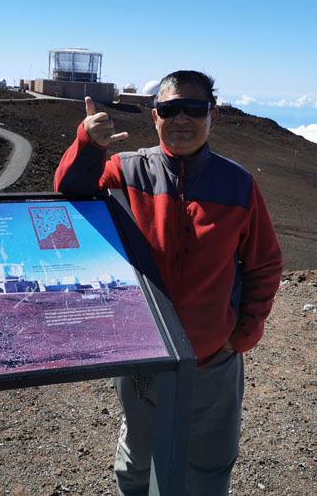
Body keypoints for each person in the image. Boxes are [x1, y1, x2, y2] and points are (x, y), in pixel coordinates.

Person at [54, 70, 283, 495]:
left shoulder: (238, 185)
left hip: (213, 358)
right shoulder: (126, 169)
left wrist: (243, 335)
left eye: (194, 109)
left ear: (212, 116)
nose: (181, 118)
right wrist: (87, 143)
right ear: (154, 116)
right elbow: (70, 192)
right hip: (142, 356)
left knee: (209, 466)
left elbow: (264, 264)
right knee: (138, 462)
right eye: (169, 108)